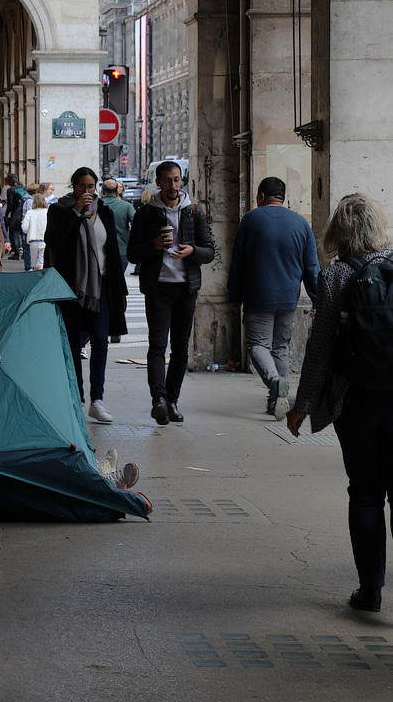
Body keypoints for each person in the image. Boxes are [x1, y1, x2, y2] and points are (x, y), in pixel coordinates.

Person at [286, 194, 393, 613]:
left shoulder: (334, 277)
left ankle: (370, 591)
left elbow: (320, 351)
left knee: (366, 494)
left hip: (357, 398)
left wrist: (303, 403)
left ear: (338, 233)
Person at [127, 160, 215, 425]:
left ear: (182, 181)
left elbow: (209, 250)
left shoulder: (194, 212)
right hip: (158, 288)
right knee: (157, 346)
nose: (173, 185)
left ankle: (172, 400)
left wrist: (192, 252)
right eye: (167, 180)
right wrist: (154, 245)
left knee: (180, 349)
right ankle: (159, 400)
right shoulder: (145, 214)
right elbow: (132, 253)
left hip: (186, 288)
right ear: (158, 183)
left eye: (177, 180)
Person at [228, 176, 319, 419]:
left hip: (259, 296)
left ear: (260, 196)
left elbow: (238, 262)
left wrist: (234, 295)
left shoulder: (251, 219)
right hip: (289, 297)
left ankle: (276, 383)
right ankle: (277, 401)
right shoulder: (301, 223)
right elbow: (312, 267)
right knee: (279, 347)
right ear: (283, 197)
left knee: (258, 345)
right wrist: (319, 299)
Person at [44, 166, 128, 422]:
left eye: (91, 187)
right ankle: (76, 395)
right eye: (82, 186)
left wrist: (120, 290)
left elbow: (112, 251)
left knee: (101, 340)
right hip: (71, 288)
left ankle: (97, 399)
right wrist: (76, 213)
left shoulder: (105, 212)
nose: (87, 191)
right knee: (72, 344)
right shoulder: (60, 211)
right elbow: (55, 242)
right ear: (74, 187)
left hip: (100, 287)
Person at [101, 177, 135, 342]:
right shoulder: (126, 206)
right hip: (121, 253)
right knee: (119, 289)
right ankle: (117, 327)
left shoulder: (96, 206)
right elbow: (136, 225)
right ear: (117, 192)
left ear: (102, 191)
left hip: (100, 254)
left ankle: (104, 325)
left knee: (102, 290)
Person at [21, 193, 48, 270]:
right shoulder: (47, 212)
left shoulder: (30, 213)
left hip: (33, 240)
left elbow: (24, 228)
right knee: (42, 262)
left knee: (35, 264)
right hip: (44, 240)